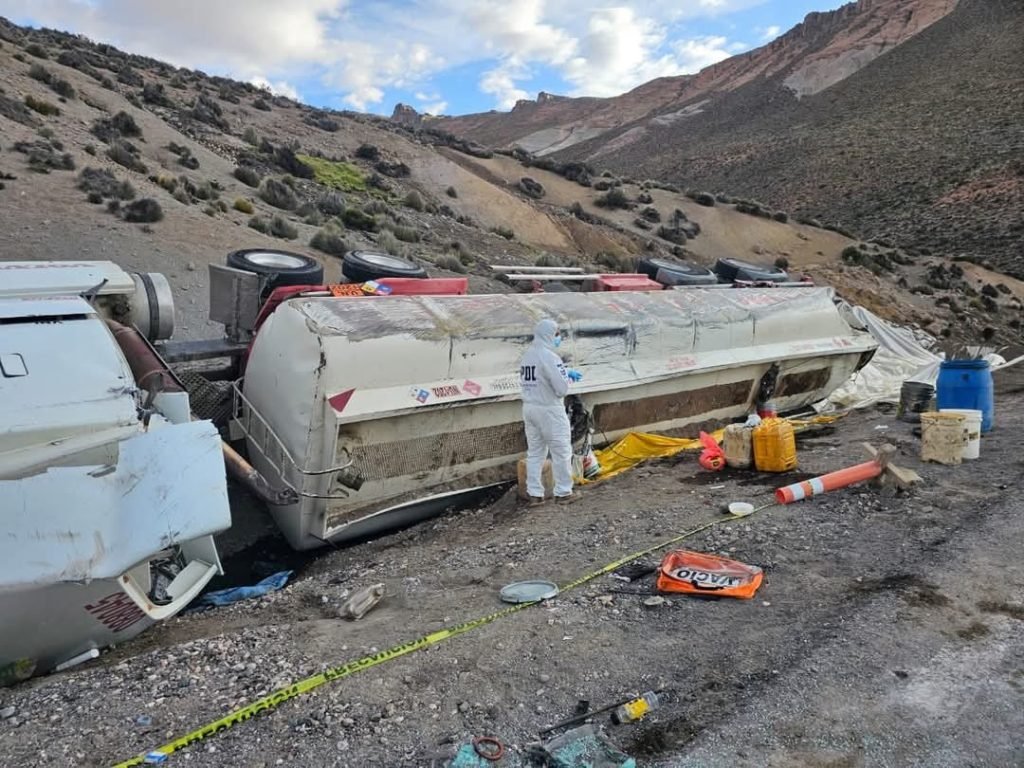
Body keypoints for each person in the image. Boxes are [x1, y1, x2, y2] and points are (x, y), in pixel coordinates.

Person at [519, 318, 583, 505]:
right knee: (561, 451)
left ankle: (534, 494)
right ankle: (563, 492)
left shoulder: (528, 355)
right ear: (548, 335)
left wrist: (563, 371)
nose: (558, 338)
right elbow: (561, 389)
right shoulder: (550, 357)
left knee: (535, 453)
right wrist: (565, 376)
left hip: (529, 408)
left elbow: (537, 377)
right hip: (549, 409)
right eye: (556, 334)